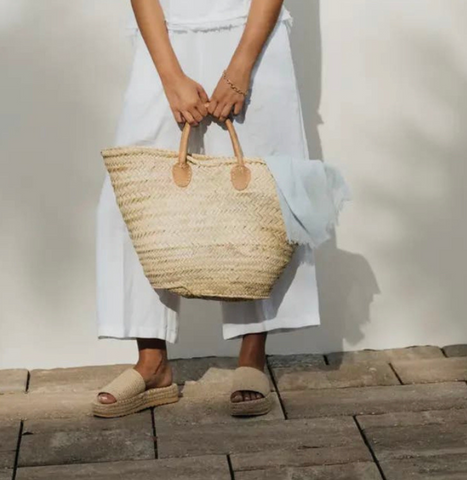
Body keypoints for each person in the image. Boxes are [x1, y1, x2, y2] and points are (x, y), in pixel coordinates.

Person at [93, 0, 320, 418]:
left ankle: (253, 355)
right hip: (164, 38)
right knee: (133, 194)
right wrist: (169, 75)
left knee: (260, 191)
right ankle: (152, 363)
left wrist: (241, 65)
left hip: (253, 35)